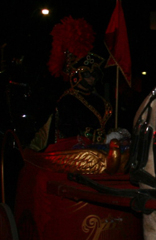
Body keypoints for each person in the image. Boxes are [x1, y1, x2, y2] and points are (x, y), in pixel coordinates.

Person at [29, 17, 113, 151]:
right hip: (75, 152)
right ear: (76, 75)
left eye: (94, 75)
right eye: (87, 74)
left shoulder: (101, 101)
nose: (91, 78)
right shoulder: (67, 101)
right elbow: (67, 132)